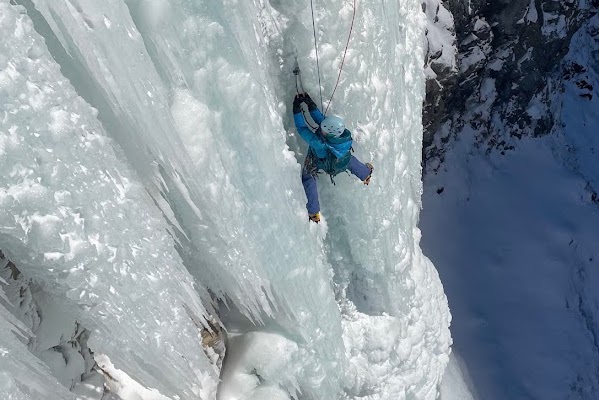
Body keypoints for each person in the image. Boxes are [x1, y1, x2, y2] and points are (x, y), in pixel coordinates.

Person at [292, 93, 373, 223]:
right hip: (340, 159)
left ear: (327, 132)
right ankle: (366, 174)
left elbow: (302, 128)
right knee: (349, 160)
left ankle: (313, 212)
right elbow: (322, 121)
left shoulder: (319, 143)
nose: (322, 128)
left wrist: (296, 110)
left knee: (308, 177)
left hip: (324, 162)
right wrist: (310, 104)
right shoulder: (342, 135)